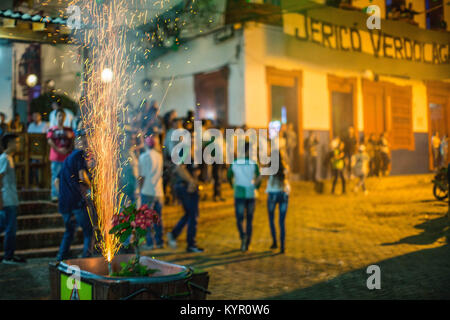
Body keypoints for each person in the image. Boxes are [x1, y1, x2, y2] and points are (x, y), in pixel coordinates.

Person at [54, 131, 94, 261]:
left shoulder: (68, 158)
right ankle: (86, 259)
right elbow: (83, 177)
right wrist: (93, 189)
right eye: (85, 141)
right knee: (89, 231)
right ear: (79, 142)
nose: (87, 144)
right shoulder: (80, 155)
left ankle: (61, 257)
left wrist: (63, 195)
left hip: (65, 203)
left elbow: (56, 181)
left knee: (69, 232)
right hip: (77, 202)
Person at [166, 134, 204, 253]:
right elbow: (178, 168)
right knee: (193, 215)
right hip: (185, 187)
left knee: (190, 214)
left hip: (189, 187)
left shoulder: (192, 153)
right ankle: (190, 244)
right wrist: (191, 181)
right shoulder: (185, 151)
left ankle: (174, 234)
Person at [227, 141, 262, 252]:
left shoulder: (235, 162)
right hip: (250, 193)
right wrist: (256, 187)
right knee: (249, 220)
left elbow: (229, 176)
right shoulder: (253, 163)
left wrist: (232, 185)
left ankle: (243, 236)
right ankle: (247, 243)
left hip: (239, 193)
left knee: (239, 218)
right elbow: (259, 178)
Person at [0, 134, 26, 264]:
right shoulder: (4, 158)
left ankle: (9, 255)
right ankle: (8, 256)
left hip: (11, 198)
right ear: (9, 143)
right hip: (7, 198)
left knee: (8, 227)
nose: (17, 145)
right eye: (15, 142)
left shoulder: (9, 158)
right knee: (10, 228)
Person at [139, 135, 164, 249]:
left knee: (147, 218)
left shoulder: (143, 157)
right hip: (158, 190)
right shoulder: (159, 156)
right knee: (158, 217)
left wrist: (140, 189)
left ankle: (149, 242)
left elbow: (142, 176)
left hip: (147, 190)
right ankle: (160, 241)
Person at [47, 109, 75, 201]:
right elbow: (50, 141)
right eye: (59, 116)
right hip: (56, 157)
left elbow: (72, 141)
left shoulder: (69, 130)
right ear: (56, 117)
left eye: (62, 116)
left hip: (67, 157)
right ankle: (55, 195)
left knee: (67, 176)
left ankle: (66, 194)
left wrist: (68, 150)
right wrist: (58, 149)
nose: (61, 118)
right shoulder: (52, 129)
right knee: (55, 176)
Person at [266, 150, 290, 254]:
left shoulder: (270, 167)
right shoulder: (285, 167)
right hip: (283, 194)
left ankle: (275, 242)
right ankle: (282, 246)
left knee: (271, 219)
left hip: (272, 194)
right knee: (282, 222)